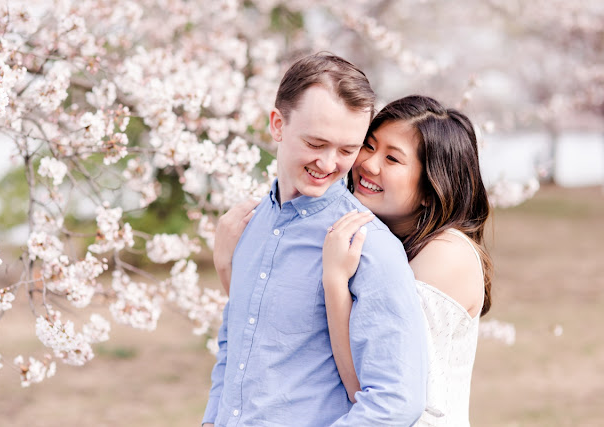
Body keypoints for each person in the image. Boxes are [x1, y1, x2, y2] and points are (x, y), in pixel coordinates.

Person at [203, 53, 428, 426]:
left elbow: (397, 400)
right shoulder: (248, 225)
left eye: (347, 150)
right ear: (278, 124)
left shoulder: (368, 246)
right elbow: (234, 347)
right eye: (315, 143)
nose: (328, 164)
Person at [322, 95, 493, 426]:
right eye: (368, 146)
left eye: (392, 159)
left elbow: (382, 394)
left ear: (433, 185)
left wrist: (335, 282)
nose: (368, 164)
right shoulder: (381, 241)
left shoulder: (445, 255)